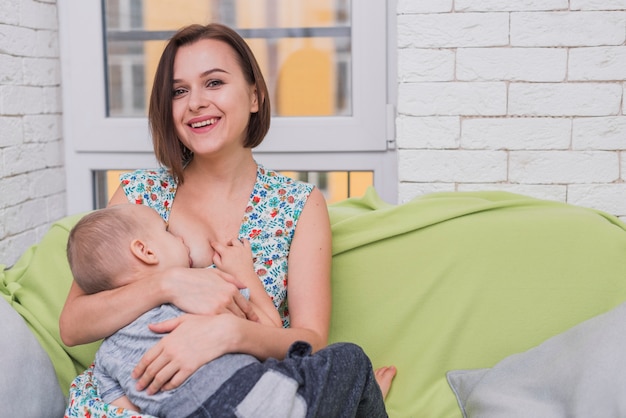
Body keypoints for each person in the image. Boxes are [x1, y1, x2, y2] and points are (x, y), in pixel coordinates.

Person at [60, 22, 395, 417]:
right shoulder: (139, 195)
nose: (195, 102)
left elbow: (311, 342)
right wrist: (168, 283)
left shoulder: (297, 204)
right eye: (179, 91)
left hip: (243, 399)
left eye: (214, 83)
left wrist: (228, 333)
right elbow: (73, 325)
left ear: (254, 95)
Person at [66, 203, 389, 417]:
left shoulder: (108, 352)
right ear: (146, 250)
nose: (178, 236)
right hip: (260, 399)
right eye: (167, 231)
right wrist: (245, 274)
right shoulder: (204, 289)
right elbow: (271, 329)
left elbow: (122, 407)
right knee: (352, 358)